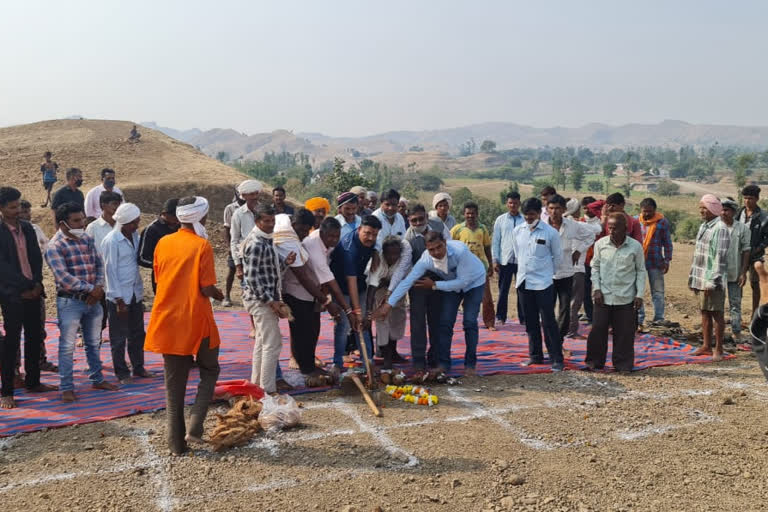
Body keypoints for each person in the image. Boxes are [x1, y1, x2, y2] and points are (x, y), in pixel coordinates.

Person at [145, 197, 223, 454]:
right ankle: (195, 427)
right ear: (200, 218)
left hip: (168, 319)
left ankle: (176, 445)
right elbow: (205, 287)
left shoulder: (163, 243)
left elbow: (159, 279)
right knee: (210, 369)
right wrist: (219, 294)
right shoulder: (202, 246)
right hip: (196, 320)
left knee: (173, 388)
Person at [376, 231, 486, 377]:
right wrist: (388, 305)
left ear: (445, 243)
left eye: (439, 247)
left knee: (470, 322)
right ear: (427, 249)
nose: (436, 252)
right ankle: (443, 364)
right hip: (449, 285)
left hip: (474, 283)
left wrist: (434, 285)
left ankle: (470, 364)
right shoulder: (426, 259)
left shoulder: (460, 251)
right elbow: (408, 281)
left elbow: (462, 282)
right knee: (445, 323)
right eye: (431, 249)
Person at [46, 202, 118, 402]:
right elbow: (63, 277)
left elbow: (98, 263)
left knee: (94, 343)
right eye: (76, 221)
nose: (82, 223)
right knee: (67, 346)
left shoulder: (86, 238)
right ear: (63, 224)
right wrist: (91, 289)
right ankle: (67, 387)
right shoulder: (55, 246)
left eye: (83, 219)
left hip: (93, 301)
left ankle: (97, 378)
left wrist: (98, 287)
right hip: (71, 302)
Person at [0, 187, 58, 408]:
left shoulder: (28, 228)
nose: (17, 211)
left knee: (35, 338)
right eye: (12, 207)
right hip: (12, 295)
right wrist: (24, 286)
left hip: (33, 292)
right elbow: (3, 267)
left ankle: (33, 382)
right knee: (12, 342)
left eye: (18, 206)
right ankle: (7, 391)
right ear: (2, 208)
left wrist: (36, 284)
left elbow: (35, 258)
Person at [280, 215, 349, 380]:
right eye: (331, 236)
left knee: (312, 330)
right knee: (303, 331)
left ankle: (307, 364)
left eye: (337, 236)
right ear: (322, 234)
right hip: (297, 292)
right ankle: (307, 368)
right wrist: (339, 306)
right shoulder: (313, 246)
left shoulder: (326, 241)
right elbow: (330, 282)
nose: (334, 240)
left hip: (312, 292)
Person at [241, 205, 295, 393]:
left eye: (273, 221)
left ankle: (257, 386)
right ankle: (268, 389)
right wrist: (271, 302)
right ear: (257, 222)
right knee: (273, 343)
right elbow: (253, 279)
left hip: (265, 298)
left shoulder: (266, 240)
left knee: (262, 342)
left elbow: (269, 271)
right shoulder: (256, 243)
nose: (271, 225)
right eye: (266, 221)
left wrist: (285, 263)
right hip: (260, 300)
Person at [585, 213, 646, 372]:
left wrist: (639, 294)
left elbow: (640, 271)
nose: (612, 231)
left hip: (626, 297)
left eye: (615, 228)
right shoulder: (600, 244)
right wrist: (596, 289)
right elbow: (595, 268)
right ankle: (594, 363)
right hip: (603, 296)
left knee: (624, 333)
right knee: (598, 330)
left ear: (625, 229)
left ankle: (623, 365)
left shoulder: (635, 247)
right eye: (609, 228)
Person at [102, 203, 154, 385]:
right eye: (134, 222)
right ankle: (122, 373)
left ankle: (138, 367)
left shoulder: (135, 236)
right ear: (124, 222)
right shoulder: (111, 240)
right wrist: (118, 300)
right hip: (119, 296)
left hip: (134, 292)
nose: (137, 225)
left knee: (137, 333)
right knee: (118, 337)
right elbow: (110, 271)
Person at [512, 198, 564, 371]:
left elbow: (558, 259)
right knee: (530, 321)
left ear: (539, 214)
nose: (528, 218)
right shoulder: (518, 231)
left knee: (548, 321)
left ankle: (557, 358)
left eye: (532, 214)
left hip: (543, 284)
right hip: (523, 282)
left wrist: (546, 274)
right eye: (526, 215)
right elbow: (518, 255)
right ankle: (535, 356)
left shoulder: (550, 233)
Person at [328, 215, 382, 374]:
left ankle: (368, 363)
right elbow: (350, 282)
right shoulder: (348, 249)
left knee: (363, 325)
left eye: (374, 234)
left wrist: (376, 251)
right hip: (341, 287)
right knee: (343, 325)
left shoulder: (372, 241)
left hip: (360, 284)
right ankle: (337, 364)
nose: (371, 238)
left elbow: (376, 242)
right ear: (359, 230)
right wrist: (356, 311)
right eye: (367, 233)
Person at [547, 194, 599, 341]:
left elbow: (591, 235)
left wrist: (578, 251)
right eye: (551, 208)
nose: (554, 212)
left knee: (565, 309)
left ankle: (559, 340)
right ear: (547, 209)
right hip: (546, 274)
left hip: (566, 272)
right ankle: (550, 341)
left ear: (563, 209)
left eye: (558, 208)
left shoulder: (572, 225)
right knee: (547, 309)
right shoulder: (542, 226)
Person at [15, 200, 57, 374]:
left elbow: (46, 253)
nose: (27, 215)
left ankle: (40, 361)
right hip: (14, 290)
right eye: (23, 211)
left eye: (28, 211)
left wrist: (38, 284)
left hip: (36, 286)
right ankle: (15, 369)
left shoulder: (35, 230)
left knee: (38, 329)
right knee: (15, 332)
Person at [689, 194, 731, 361]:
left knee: (717, 314)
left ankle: (718, 349)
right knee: (704, 312)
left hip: (713, 280)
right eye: (701, 207)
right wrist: (693, 278)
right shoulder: (704, 226)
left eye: (704, 208)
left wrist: (712, 281)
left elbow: (720, 258)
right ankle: (706, 346)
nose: (701, 211)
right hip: (700, 277)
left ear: (713, 209)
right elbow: (699, 255)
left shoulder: (720, 228)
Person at [404, 205, 442, 374]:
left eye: (421, 219)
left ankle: (435, 357)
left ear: (427, 217)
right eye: (414, 220)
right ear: (409, 221)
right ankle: (418, 360)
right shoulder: (407, 239)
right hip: (417, 285)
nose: (418, 222)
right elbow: (406, 265)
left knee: (436, 322)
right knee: (418, 323)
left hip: (437, 283)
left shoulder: (439, 229)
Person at [365, 236, 411, 371]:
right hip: (378, 291)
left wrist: (389, 289)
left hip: (397, 291)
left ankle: (393, 352)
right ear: (383, 253)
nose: (392, 257)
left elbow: (401, 278)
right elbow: (372, 286)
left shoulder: (404, 261)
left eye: (396, 253)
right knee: (382, 320)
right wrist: (369, 310)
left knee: (396, 320)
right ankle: (386, 357)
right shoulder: (376, 262)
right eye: (389, 254)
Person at [451, 201, 495, 330]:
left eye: (473, 213)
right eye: (468, 213)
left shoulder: (483, 229)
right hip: (463, 268)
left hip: (481, 268)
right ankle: (462, 321)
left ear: (477, 214)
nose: (470, 216)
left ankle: (490, 323)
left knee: (486, 297)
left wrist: (491, 264)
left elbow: (487, 247)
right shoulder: (457, 229)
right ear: (464, 214)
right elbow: (449, 246)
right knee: (460, 297)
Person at [636, 198, 674, 330]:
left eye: (650, 211)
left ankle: (658, 318)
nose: (647, 214)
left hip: (656, 261)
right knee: (637, 290)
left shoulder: (662, 222)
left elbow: (667, 242)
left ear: (655, 210)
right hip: (638, 262)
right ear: (640, 210)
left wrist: (667, 259)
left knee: (657, 291)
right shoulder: (636, 221)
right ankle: (639, 318)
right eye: (645, 211)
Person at [567, 197, 602, 338]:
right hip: (577, 269)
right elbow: (597, 230)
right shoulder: (578, 225)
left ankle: (563, 330)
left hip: (560, 270)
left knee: (565, 302)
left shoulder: (557, 224)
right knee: (574, 303)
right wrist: (579, 250)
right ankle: (571, 331)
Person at [720, 198, 751, 343]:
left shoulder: (743, 229)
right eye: (721, 209)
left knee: (735, 303)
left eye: (726, 210)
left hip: (735, 272)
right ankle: (718, 332)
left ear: (733, 212)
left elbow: (746, 251)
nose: (723, 213)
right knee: (717, 304)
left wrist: (743, 272)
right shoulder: (716, 227)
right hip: (717, 273)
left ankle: (736, 331)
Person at [493, 191, 525, 327]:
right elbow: (496, 241)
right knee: (503, 290)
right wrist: (495, 259)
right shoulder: (500, 220)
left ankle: (523, 318)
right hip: (505, 260)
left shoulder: (524, 220)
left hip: (521, 261)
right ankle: (500, 317)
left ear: (519, 204)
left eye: (515, 203)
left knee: (522, 291)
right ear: (507, 203)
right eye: (510, 203)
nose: (513, 205)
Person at [138, 198, 180, 293]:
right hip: (162, 278)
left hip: (181, 276)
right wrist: (163, 265)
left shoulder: (181, 226)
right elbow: (142, 258)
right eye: (175, 216)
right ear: (165, 214)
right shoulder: (152, 230)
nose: (178, 220)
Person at [738, 184, 768, 316]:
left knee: (755, 284)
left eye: (750, 198)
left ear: (757, 199)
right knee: (737, 283)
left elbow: (767, 238)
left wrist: (758, 249)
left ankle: (755, 314)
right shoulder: (738, 214)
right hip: (739, 254)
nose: (747, 201)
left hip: (755, 255)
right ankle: (737, 313)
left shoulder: (764, 217)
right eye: (745, 198)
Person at [230, 180, 264, 284]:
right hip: (247, 260)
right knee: (249, 291)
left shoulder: (265, 211)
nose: (254, 197)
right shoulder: (238, 214)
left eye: (256, 193)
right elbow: (234, 241)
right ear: (244, 196)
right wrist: (238, 267)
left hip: (265, 258)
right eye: (251, 194)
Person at [581, 198, 604, 324]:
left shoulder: (602, 221)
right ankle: (590, 317)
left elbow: (604, 201)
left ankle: (601, 317)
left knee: (600, 290)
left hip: (600, 261)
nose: (586, 210)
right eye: (584, 208)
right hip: (584, 261)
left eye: (589, 207)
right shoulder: (580, 222)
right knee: (586, 291)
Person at [221, 190, 245, 306]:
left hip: (247, 245)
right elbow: (226, 229)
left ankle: (246, 294)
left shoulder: (254, 207)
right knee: (232, 269)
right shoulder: (230, 208)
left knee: (247, 270)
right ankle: (227, 296)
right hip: (235, 244)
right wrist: (229, 246)